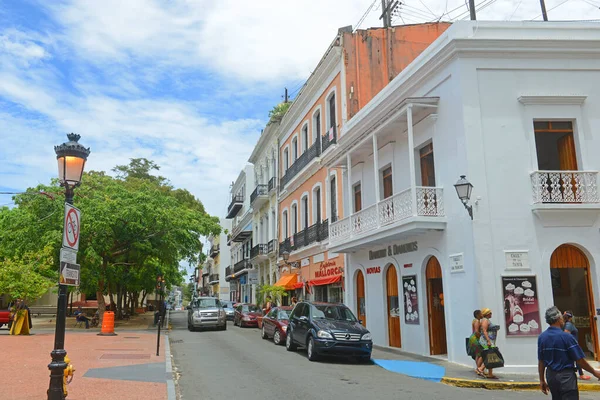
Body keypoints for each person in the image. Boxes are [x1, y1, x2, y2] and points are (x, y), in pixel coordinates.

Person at [539, 306, 600, 398]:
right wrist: (594, 372)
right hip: (566, 377)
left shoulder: (542, 337)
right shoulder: (566, 337)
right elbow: (580, 361)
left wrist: (542, 380)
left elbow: (541, 361)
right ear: (559, 319)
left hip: (551, 376)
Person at [563, 311, 591, 381]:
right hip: (572, 345)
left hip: (573, 345)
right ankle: (581, 375)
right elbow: (566, 335)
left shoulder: (568, 324)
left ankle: (579, 374)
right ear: (571, 317)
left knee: (577, 359)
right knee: (578, 359)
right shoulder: (569, 324)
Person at [479, 308, 501, 379]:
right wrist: (488, 341)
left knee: (490, 355)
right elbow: (484, 331)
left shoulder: (487, 320)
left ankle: (490, 373)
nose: (491, 314)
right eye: (490, 313)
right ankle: (481, 368)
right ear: (487, 313)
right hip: (486, 341)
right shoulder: (485, 320)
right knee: (491, 355)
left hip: (490, 341)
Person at [468, 310, 485, 377]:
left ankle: (478, 368)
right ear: (478, 314)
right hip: (475, 339)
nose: (482, 314)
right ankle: (479, 369)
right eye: (481, 313)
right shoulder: (477, 321)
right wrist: (481, 338)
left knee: (477, 354)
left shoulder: (474, 320)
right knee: (481, 354)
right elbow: (477, 332)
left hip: (473, 338)